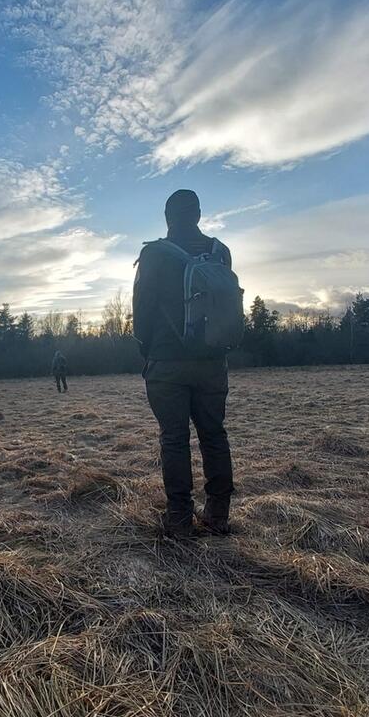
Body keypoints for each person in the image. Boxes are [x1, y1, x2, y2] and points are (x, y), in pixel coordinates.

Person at [132, 189, 235, 538]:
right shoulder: (220, 253)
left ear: (167, 217)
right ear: (199, 215)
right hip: (212, 361)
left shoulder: (154, 255)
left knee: (174, 439)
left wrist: (147, 349)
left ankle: (178, 518)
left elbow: (141, 311)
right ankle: (218, 513)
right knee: (214, 435)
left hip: (167, 362)